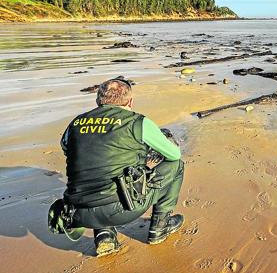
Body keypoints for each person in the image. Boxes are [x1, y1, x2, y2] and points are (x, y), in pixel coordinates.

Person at [59, 77, 185, 257]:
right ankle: (160, 227)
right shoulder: (137, 122)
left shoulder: (75, 123)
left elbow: (66, 149)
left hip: (78, 212)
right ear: (130, 102)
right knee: (177, 165)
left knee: (98, 171)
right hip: (124, 209)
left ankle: (104, 234)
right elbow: (174, 154)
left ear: (98, 101)